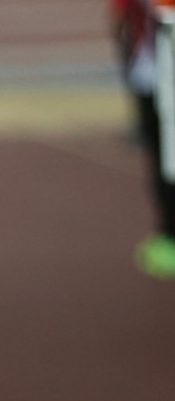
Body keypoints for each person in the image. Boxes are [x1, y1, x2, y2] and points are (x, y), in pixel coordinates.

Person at [109, 0, 175, 277]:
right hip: (149, 72)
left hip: (161, 73)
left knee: (166, 156)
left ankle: (169, 233)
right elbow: (121, 18)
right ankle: (168, 232)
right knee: (160, 155)